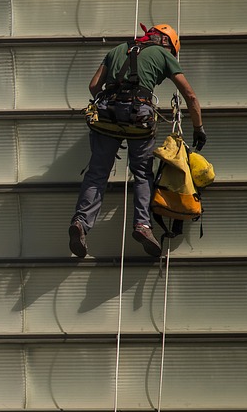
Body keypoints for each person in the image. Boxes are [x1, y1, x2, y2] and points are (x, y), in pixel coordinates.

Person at [69, 23, 205, 258]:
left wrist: (113, 106)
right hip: (138, 117)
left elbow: (94, 86)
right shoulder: (163, 54)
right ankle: (142, 225)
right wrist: (198, 128)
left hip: (106, 116)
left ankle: (81, 222)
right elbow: (190, 95)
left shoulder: (117, 49)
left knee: (97, 173)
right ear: (166, 42)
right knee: (142, 173)